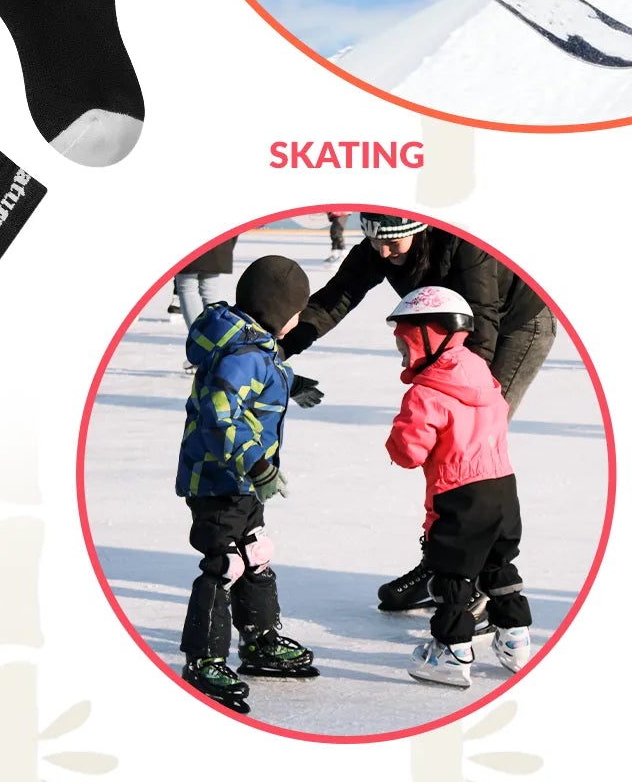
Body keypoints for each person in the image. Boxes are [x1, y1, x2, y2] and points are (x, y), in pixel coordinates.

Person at [282, 211, 554, 615]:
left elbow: (483, 319)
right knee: (448, 461)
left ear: (419, 230)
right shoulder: (381, 246)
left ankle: (476, 585)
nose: (383, 252)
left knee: (470, 454)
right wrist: (280, 348)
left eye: (392, 243)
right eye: (375, 242)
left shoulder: (464, 244)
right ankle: (442, 565)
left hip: (515, 324)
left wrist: (446, 388)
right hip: (451, 336)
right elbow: (336, 298)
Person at [176, 255, 318, 712]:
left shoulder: (253, 346)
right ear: (279, 312)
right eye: (296, 312)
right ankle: (204, 659)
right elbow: (221, 412)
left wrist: (291, 381)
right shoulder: (245, 354)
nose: (297, 320)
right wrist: (257, 465)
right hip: (219, 480)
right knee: (226, 563)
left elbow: (260, 374)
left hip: (240, 480)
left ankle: (259, 639)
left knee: (255, 551)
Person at [384, 286, 533, 687]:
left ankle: (451, 653)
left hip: (460, 495)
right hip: (503, 490)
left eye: (405, 345)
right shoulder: (483, 375)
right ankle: (516, 640)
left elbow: (409, 452)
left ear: (428, 338)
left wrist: (396, 435)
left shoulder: (426, 392)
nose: (403, 355)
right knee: (497, 564)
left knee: (453, 575)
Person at [172, 237, 236, 368]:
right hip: (217, 245)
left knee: (187, 287)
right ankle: (216, 348)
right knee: (209, 289)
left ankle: (202, 349)